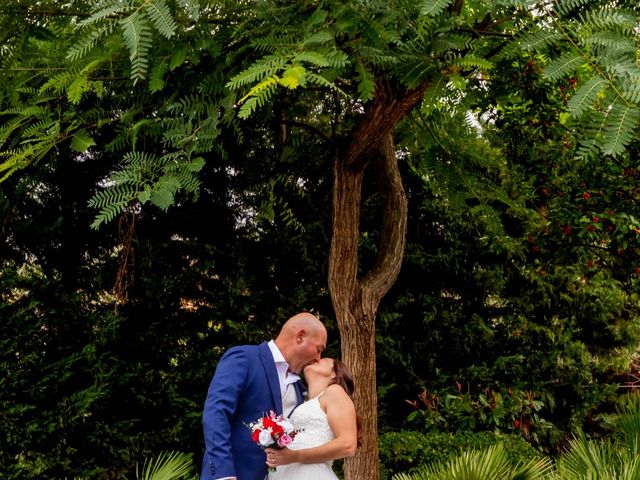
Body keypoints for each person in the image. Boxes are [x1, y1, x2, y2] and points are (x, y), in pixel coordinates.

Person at [200, 312, 328, 480]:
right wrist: (223, 474)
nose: (319, 359)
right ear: (300, 337)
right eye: (318, 350)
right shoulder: (245, 358)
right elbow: (216, 413)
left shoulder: (299, 388)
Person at [264, 357, 359, 480]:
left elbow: (348, 444)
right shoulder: (303, 402)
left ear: (335, 374)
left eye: (323, 358)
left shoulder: (335, 391)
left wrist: (294, 456)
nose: (316, 358)